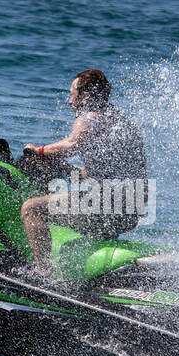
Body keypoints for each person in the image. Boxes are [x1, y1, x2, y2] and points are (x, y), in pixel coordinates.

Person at [20, 69, 148, 278]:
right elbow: (112, 174)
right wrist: (70, 171)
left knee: (31, 209)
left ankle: (42, 276)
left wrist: (38, 151)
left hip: (106, 208)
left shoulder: (89, 117)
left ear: (85, 96)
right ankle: (96, 274)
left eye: (72, 94)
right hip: (133, 211)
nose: (70, 101)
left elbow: (71, 145)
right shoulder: (124, 123)